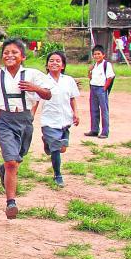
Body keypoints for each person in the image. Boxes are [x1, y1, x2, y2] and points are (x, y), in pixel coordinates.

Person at [0, 38, 53, 219]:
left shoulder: (32, 74)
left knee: (17, 158)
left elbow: (48, 94)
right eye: (6, 53)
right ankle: (11, 203)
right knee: (11, 162)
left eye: (14, 52)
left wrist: (34, 88)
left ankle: (3, 170)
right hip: (5, 120)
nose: (10, 55)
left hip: (25, 120)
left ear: (22, 56)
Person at [31, 51, 79, 187]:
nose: (54, 63)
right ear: (47, 65)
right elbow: (36, 101)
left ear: (63, 65)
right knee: (56, 148)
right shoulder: (42, 81)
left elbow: (72, 98)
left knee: (62, 148)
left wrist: (76, 113)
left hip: (65, 120)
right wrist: (31, 116)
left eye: (58, 61)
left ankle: (47, 142)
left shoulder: (68, 80)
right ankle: (58, 175)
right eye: (51, 61)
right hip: (49, 121)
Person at [85, 44, 114, 139]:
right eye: (95, 54)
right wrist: (89, 71)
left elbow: (110, 77)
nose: (96, 56)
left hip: (101, 88)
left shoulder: (106, 65)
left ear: (103, 55)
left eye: (98, 54)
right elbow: (91, 77)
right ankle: (94, 130)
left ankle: (105, 132)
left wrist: (104, 88)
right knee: (93, 109)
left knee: (104, 110)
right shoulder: (94, 66)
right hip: (93, 88)